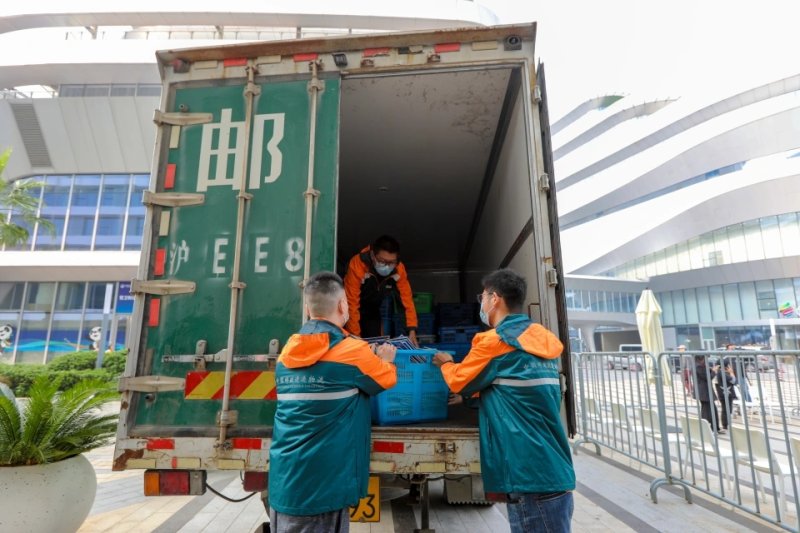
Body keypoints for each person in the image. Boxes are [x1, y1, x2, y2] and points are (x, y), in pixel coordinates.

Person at [433, 269, 574, 533]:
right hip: (552, 470)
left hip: (528, 475)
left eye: (482, 297)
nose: (481, 304)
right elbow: (519, 391)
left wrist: (447, 363)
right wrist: (476, 396)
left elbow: (458, 381)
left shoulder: (495, 342)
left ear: (494, 298)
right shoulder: (541, 340)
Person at [268, 272, 398, 533]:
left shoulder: (286, 353)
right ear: (342, 305)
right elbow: (385, 379)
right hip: (325, 487)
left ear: (307, 309)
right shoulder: (352, 351)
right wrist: (386, 359)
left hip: (286, 483)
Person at [344, 235, 418, 345]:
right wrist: (355, 337)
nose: (387, 266)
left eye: (391, 262)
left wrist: (411, 330)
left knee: (376, 345)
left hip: (373, 311)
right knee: (353, 344)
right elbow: (351, 303)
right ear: (373, 255)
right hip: (351, 310)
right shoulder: (357, 265)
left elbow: (406, 299)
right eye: (382, 261)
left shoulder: (399, 269)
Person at [694, 355, 719, 432]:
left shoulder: (698, 366)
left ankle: (713, 427)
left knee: (710, 409)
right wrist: (714, 372)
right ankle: (708, 428)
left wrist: (711, 370)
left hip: (704, 392)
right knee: (707, 411)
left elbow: (706, 374)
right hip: (704, 392)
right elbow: (707, 377)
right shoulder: (698, 367)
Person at [712, 357, 738, 434]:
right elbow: (733, 381)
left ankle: (725, 424)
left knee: (725, 409)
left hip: (722, 394)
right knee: (727, 409)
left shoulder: (718, 373)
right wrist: (731, 372)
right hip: (727, 394)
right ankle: (725, 425)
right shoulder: (723, 373)